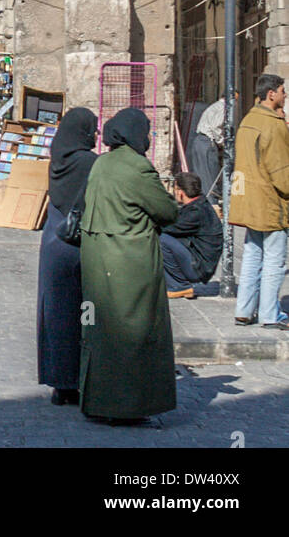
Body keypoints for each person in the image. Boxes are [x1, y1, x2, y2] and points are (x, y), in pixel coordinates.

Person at [79, 107, 178, 425]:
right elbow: (167, 211)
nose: (148, 138)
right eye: (146, 132)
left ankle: (97, 401)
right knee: (133, 331)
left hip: (97, 260)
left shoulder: (101, 163)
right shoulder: (138, 167)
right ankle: (125, 406)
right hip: (129, 260)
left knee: (100, 331)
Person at [38, 107, 99, 407]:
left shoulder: (58, 158)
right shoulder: (90, 162)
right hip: (77, 245)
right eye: (93, 128)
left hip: (53, 240)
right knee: (83, 315)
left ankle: (59, 384)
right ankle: (80, 379)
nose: (96, 134)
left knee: (55, 316)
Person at [230, 73, 289, 329]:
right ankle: (270, 314)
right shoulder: (272, 125)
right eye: (283, 91)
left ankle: (244, 310)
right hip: (270, 202)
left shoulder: (248, 120)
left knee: (253, 255)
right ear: (271, 94)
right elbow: (281, 171)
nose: (285, 96)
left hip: (251, 200)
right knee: (274, 260)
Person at [159, 172, 222, 300]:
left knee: (162, 239)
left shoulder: (196, 212)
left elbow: (168, 227)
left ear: (180, 192)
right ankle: (175, 283)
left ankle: (178, 286)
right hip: (200, 263)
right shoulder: (199, 204)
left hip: (198, 268)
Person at [189, 96, 231, 208]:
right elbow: (216, 127)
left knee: (201, 174)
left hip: (199, 141)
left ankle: (202, 202)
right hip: (207, 142)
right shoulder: (223, 108)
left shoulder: (214, 106)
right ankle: (211, 204)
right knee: (210, 176)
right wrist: (222, 142)